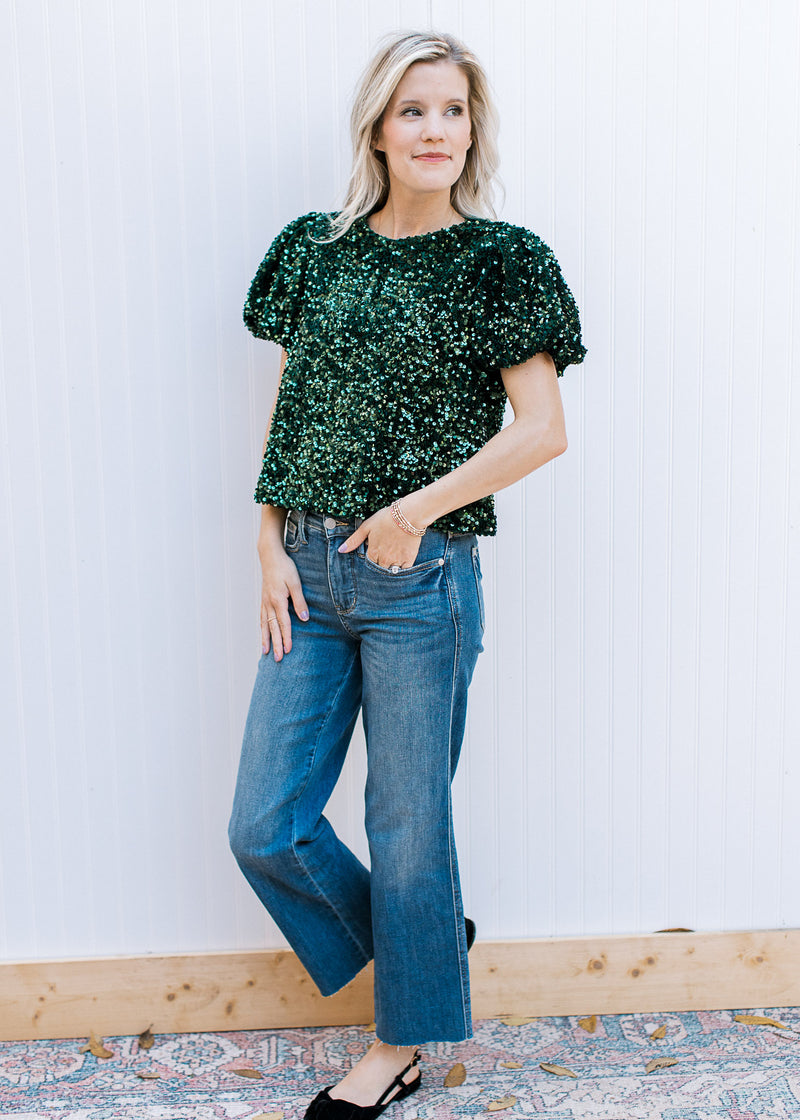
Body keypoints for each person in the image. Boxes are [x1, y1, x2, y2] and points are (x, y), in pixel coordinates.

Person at [228, 28, 586, 1120]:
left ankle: (400, 1045)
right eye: (412, 110)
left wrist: (415, 508)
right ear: (377, 129)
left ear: (471, 131)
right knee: (266, 825)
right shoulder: (311, 250)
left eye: (453, 111)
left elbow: (542, 430)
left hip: (418, 575)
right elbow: (290, 411)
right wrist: (261, 541)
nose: (435, 129)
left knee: (406, 825)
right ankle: (421, 941)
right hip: (307, 566)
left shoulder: (502, 260)